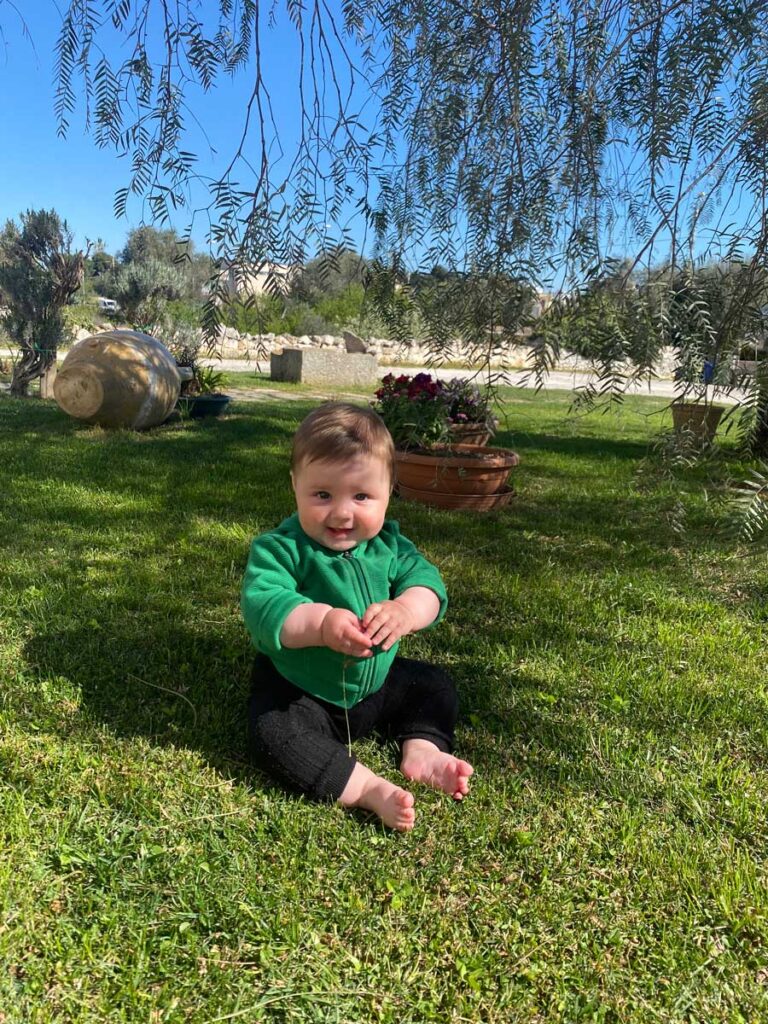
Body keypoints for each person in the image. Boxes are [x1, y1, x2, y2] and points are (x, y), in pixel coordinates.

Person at [241, 401, 473, 831]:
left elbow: (429, 586)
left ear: (389, 491)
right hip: (302, 691)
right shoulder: (280, 549)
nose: (343, 513)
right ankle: (364, 788)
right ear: (295, 485)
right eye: (323, 495)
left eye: (362, 496)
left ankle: (422, 749)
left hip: (376, 685)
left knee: (433, 684)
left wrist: (405, 609)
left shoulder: (389, 545)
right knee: (273, 733)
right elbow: (265, 605)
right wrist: (322, 623)